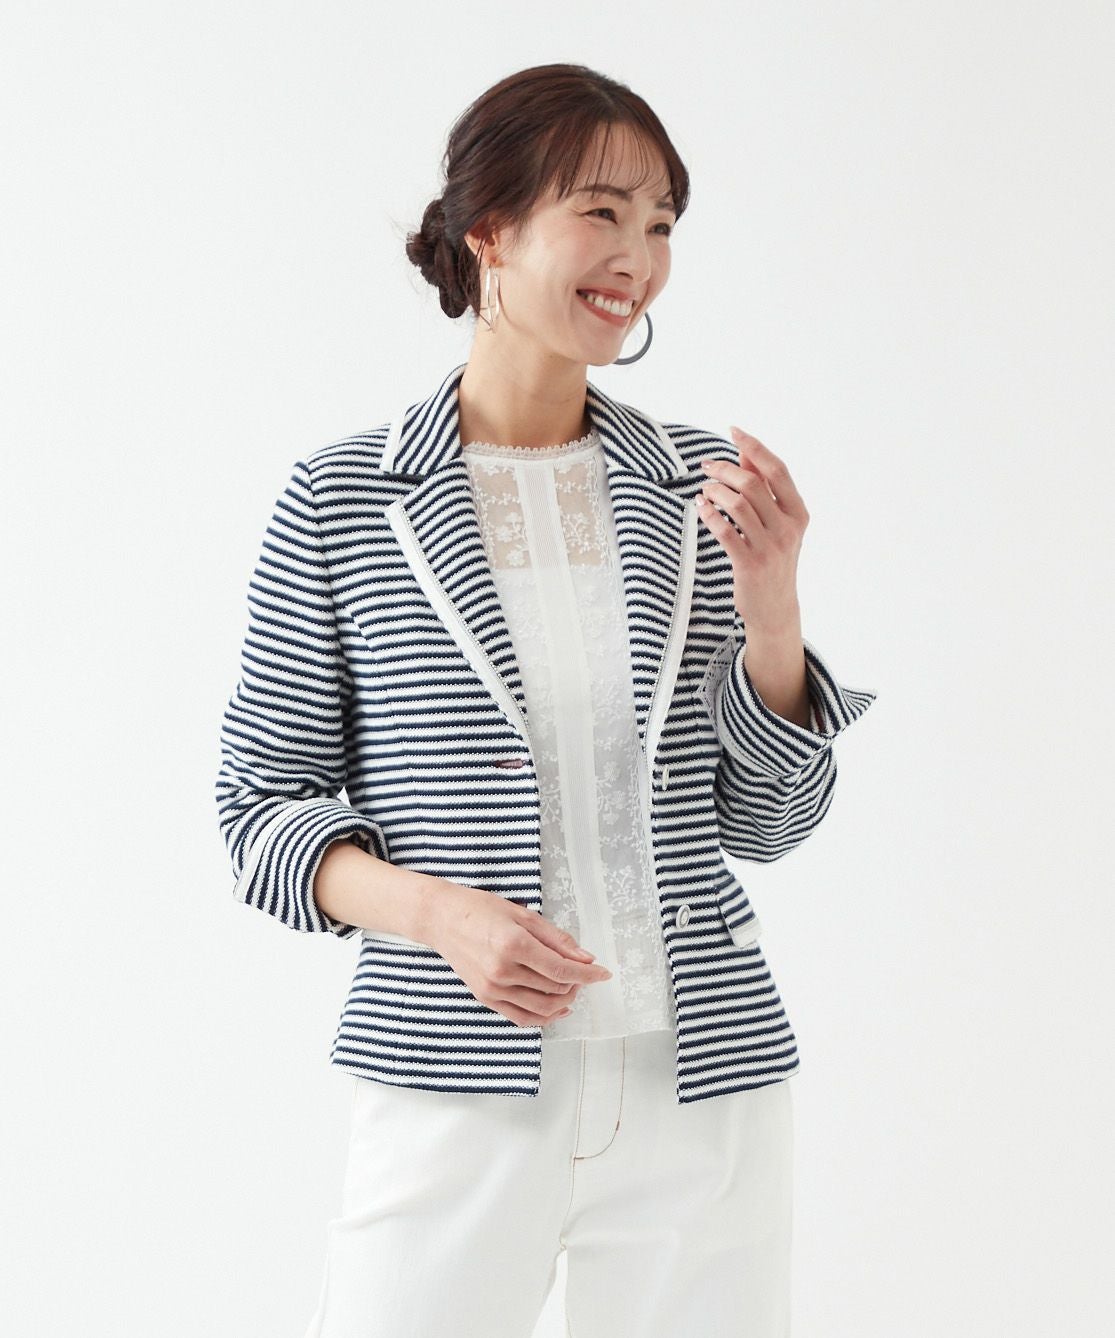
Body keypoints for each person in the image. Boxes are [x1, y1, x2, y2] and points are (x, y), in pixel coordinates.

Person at [214, 62, 877, 1338]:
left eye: (661, 223)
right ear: (490, 231)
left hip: (700, 1089)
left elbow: (768, 825)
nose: (638, 257)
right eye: (601, 212)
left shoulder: (698, 489)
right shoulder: (344, 502)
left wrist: (773, 615)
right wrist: (441, 917)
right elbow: (259, 812)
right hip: (454, 1089)